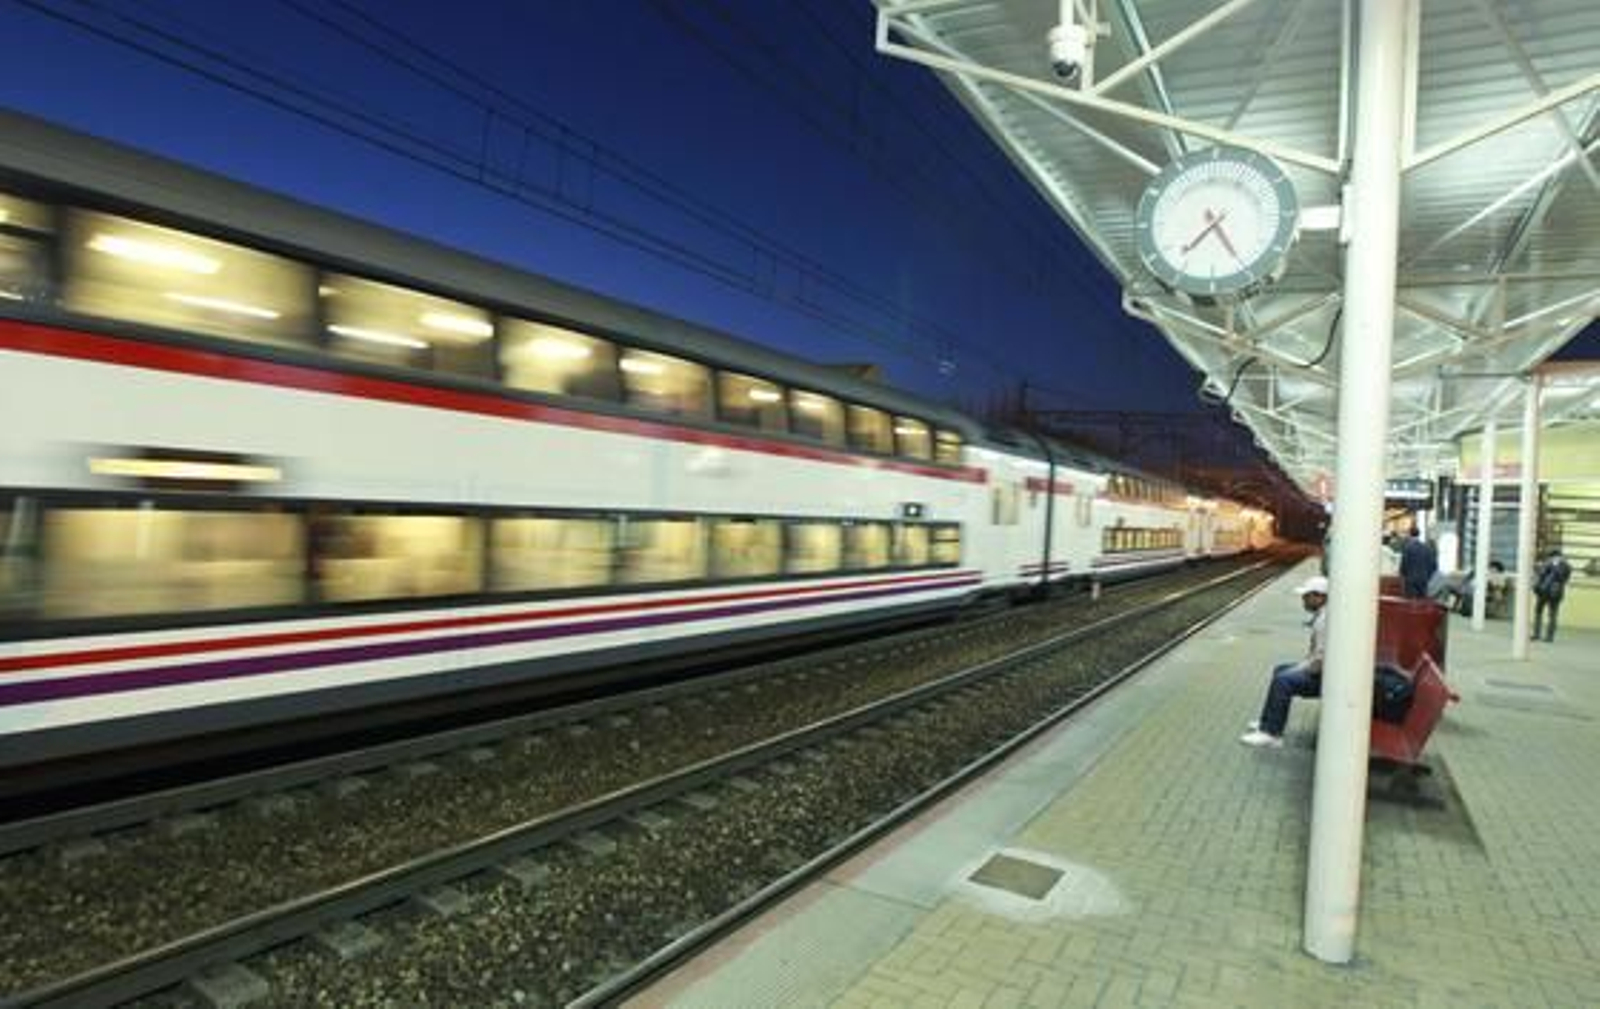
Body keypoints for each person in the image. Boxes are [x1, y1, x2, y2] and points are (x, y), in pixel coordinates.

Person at [1241, 575, 1329, 748]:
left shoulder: (1324, 621)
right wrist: (1300, 667)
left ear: (1320, 597)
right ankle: (1268, 722)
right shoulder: (1323, 615)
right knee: (1280, 670)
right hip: (1324, 671)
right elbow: (1316, 657)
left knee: (1284, 680)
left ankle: (1272, 735)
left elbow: (1319, 662)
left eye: (1307, 596)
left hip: (1326, 678)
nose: (1303, 600)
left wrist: (1299, 670)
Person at [1532, 549, 1573, 642]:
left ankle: (1546, 636)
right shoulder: (1548, 564)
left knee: (1551, 615)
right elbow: (1540, 575)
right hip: (1546, 592)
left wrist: (1554, 567)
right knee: (1541, 613)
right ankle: (1539, 634)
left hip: (1552, 592)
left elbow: (1563, 578)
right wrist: (1539, 567)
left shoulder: (1565, 566)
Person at [1398, 527, 1437, 599]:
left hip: (1410, 580)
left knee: (1410, 603)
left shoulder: (1407, 548)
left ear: (1409, 534)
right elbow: (1433, 565)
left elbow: (1404, 564)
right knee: (1421, 602)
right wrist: (1427, 576)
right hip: (1423, 579)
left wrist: (1403, 575)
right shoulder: (1426, 548)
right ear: (1419, 534)